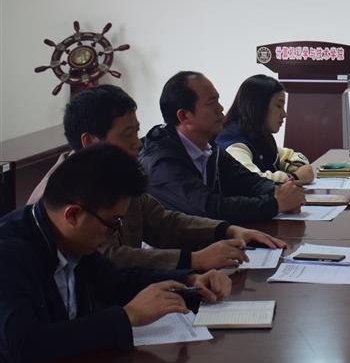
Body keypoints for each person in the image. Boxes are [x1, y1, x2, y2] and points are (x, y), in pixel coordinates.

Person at [0, 144, 231, 363]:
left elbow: (115, 281)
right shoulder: (9, 254)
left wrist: (190, 281)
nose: (115, 231)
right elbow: (25, 347)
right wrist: (127, 316)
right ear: (73, 215)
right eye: (114, 222)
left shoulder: (70, 239)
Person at [27, 85, 285, 271]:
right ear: (90, 141)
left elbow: (161, 221)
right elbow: (107, 258)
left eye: (136, 132)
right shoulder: (61, 195)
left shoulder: (117, 174)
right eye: (127, 134)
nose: (137, 144)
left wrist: (226, 230)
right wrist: (192, 261)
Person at [140, 71, 306, 223]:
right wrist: (275, 204)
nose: (220, 108)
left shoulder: (209, 148)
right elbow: (209, 208)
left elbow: (248, 182)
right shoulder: (162, 161)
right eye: (211, 103)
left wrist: (280, 192)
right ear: (184, 116)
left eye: (218, 100)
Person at [216, 75, 314, 184]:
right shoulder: (233, 143)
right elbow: (251, 181)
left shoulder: (258, 136)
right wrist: (294, 177)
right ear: (258, 106)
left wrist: (297, 166)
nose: (284, 114)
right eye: (278, 106)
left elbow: (288, 155)